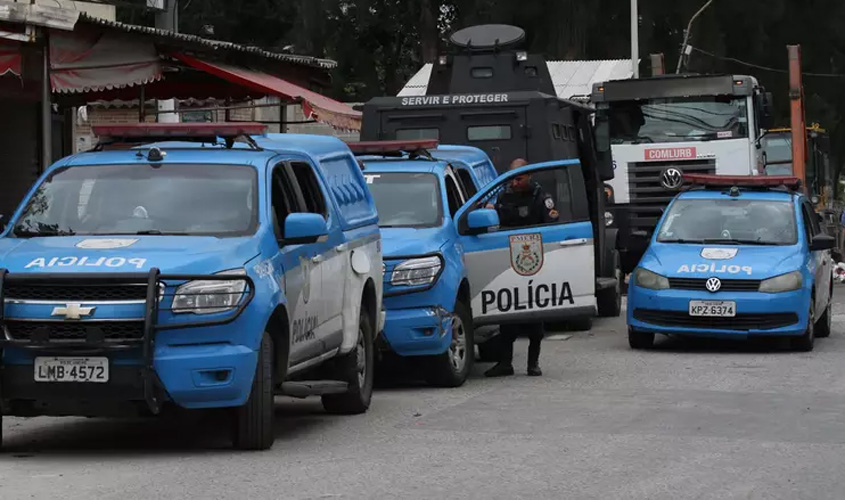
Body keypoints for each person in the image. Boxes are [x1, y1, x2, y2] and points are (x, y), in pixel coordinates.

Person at [484, 158, 559, 378]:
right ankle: (505, 363)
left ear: (529, 176)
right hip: (508, 262)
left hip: (534, 263)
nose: (515, 183)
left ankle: (533, 363)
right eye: (512, 179)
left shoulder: (541, 198)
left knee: (535, 318)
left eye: (519, 178)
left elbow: (552, 227)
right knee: (507, 316)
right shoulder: (503, 196)